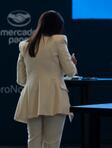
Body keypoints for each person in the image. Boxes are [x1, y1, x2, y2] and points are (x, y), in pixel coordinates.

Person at [14, 10, 77, 148]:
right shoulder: (59, 41)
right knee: (52, 143)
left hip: (31, 96)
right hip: (55, 96)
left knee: (33, 141)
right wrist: (71, 62)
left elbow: (21, 79)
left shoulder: (25, 45)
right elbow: (71, 72)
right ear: (58, 26)